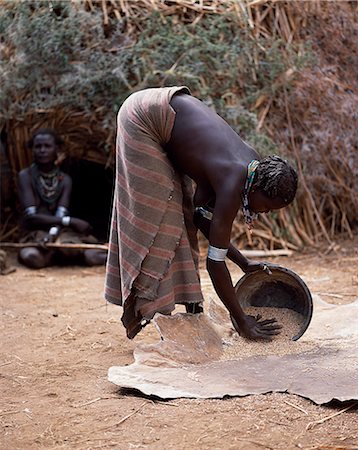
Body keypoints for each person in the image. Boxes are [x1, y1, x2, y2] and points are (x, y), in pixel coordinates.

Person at [105, 86, 298, 340]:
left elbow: (200, 217)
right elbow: (214, 262)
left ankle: (190, 306)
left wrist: (243, 263)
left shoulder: (251, 165)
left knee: (184, 213)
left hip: (163, 107)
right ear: (261, 189)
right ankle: (146, 306)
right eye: (268, 207)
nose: (265, 212)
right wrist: (241, 320)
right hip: (143, 117)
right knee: (161, 216)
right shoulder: (233, 182)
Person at [18, 128, 107, 269]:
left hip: (61, 231)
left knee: (88, 254)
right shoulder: (26, 176)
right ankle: (58, 255)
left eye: (47, 146)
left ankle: (61, 253)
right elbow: (31, 218)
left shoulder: (64, 180)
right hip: (35, 233)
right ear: (32, 150)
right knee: (31, 257)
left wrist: (53, 233)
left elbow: (61, 213)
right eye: (38, 146)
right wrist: (70, 221)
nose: (42, 150)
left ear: (57, 149)